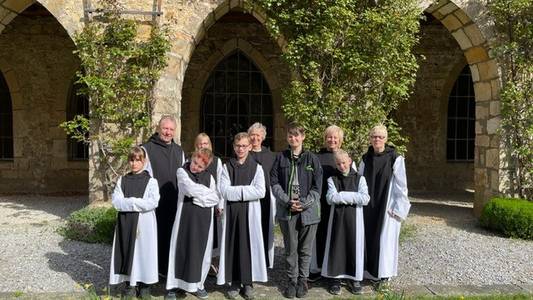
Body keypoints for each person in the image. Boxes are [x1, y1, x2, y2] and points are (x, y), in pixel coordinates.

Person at [271, 123, 322, 299]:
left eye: (297, 135)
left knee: (305, 250)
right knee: (290, 249)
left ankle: (303, 281)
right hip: (287, 210)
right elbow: (274, 183)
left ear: (303, 137)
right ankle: (292, 281)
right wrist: (287, 201)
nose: (293, 138)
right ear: (287, 138)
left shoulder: (312, 159)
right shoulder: (281, 158)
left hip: (308, 212)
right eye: (290, 136)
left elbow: (317, 187)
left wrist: (305, 203)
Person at [358, 125, 410, 287]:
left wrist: (398, 208)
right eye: (374, 136)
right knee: (367, 237)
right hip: (367, 205)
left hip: (386, 205)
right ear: (370, 139)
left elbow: (402, 185)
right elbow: (359, 180)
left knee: (384, 240)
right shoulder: (365, 158)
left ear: (386, 139)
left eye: (380, 137)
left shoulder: (395, 158)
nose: (377, 140)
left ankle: (384, 275)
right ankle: (366, 272)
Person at [217, 132, 267, 300]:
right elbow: (223, 190)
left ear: (250, 147)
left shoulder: (256, 167)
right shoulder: (227, 166)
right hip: (232, 214)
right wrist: (246, 190)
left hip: (250, 213)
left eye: (244, 146)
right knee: (233, 245)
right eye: (238, 146)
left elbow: (261, 191)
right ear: (234, 147)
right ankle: (234, 282)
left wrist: (236, 191)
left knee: (248, 246)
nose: (241, 149)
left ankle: (248, 283)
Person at [166, 148, 221, 299]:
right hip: (185, 218)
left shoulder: (209, 178)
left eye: (200, 166)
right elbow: (188, 189)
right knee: (181, 249)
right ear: (192, 157)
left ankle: (198, 285)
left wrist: (199, 198)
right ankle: (174, 285)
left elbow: (216, 197)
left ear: (206, 167)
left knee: (201, 253)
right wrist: (203, 197)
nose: (195, 167)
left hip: (204, 222)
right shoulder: (182, 171)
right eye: (195, 162)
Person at [109, 146, 160, 299]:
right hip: (126, 223)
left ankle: (145, 286)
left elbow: (152, 202)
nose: (134, 163)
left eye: (138, 160)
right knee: (128, 252)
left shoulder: (151, 181)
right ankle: (130, 285)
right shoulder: (122, 180)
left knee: (144, 253)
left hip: (145, 224)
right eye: (131, 160)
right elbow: (116, 203)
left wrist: (129, 202)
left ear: (144, 161)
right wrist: (137, 203)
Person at [141, 115, 185, 285]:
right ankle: (150, 274)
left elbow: (182, 178)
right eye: (165, 128)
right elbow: (142, 176)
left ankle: (167, 271)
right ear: (158, 128)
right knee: (153, 238)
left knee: (170, 237)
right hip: (154, 204)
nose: (167, 132)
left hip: (173, 202)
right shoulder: (146, 149)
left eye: (171, 129)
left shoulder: (179, 151)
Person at [322, 149, 369, 295]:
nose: (341, 166)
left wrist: (341, 195)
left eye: (344, 162)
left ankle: (354, 278)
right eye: (338, 164)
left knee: (353, 246)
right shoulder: (332, 179)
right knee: (336, 245)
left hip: (355, 219)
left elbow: (365, 199)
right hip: (336, 219)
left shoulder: (360, 179)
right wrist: (353, 197)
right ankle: (335, 279)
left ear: (349, 161)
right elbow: (330, 199)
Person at [310, 125, 344, 281]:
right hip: (319, 202)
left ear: (340, 140)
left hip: (337, 205)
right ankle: (317, 268)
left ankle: (334, 270)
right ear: (325, 139)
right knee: (319, 235)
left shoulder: (344, 157)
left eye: (335, 137)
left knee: (335, 235)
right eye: (329, 137)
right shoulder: (315, 157)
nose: (332, 140)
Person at [194, 133, 224, 275]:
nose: (203, 146)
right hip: (196, 205)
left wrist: (220, 204)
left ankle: (212, 265)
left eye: (205, 143)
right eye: (200, 143)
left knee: (214, 235)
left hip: (213, 204)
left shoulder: (217, 161)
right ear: (196, 145)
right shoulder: (191, 161)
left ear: (209, 145)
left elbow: (220, 185)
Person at [248, 122, 276, 268]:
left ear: (263, 137)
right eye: (252, 135)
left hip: (265, 198)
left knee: (264, 227)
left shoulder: (271, 156)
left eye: (258, 135)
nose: (255, 138)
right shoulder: (244, 153)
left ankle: (264, 261)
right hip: (249, 198)